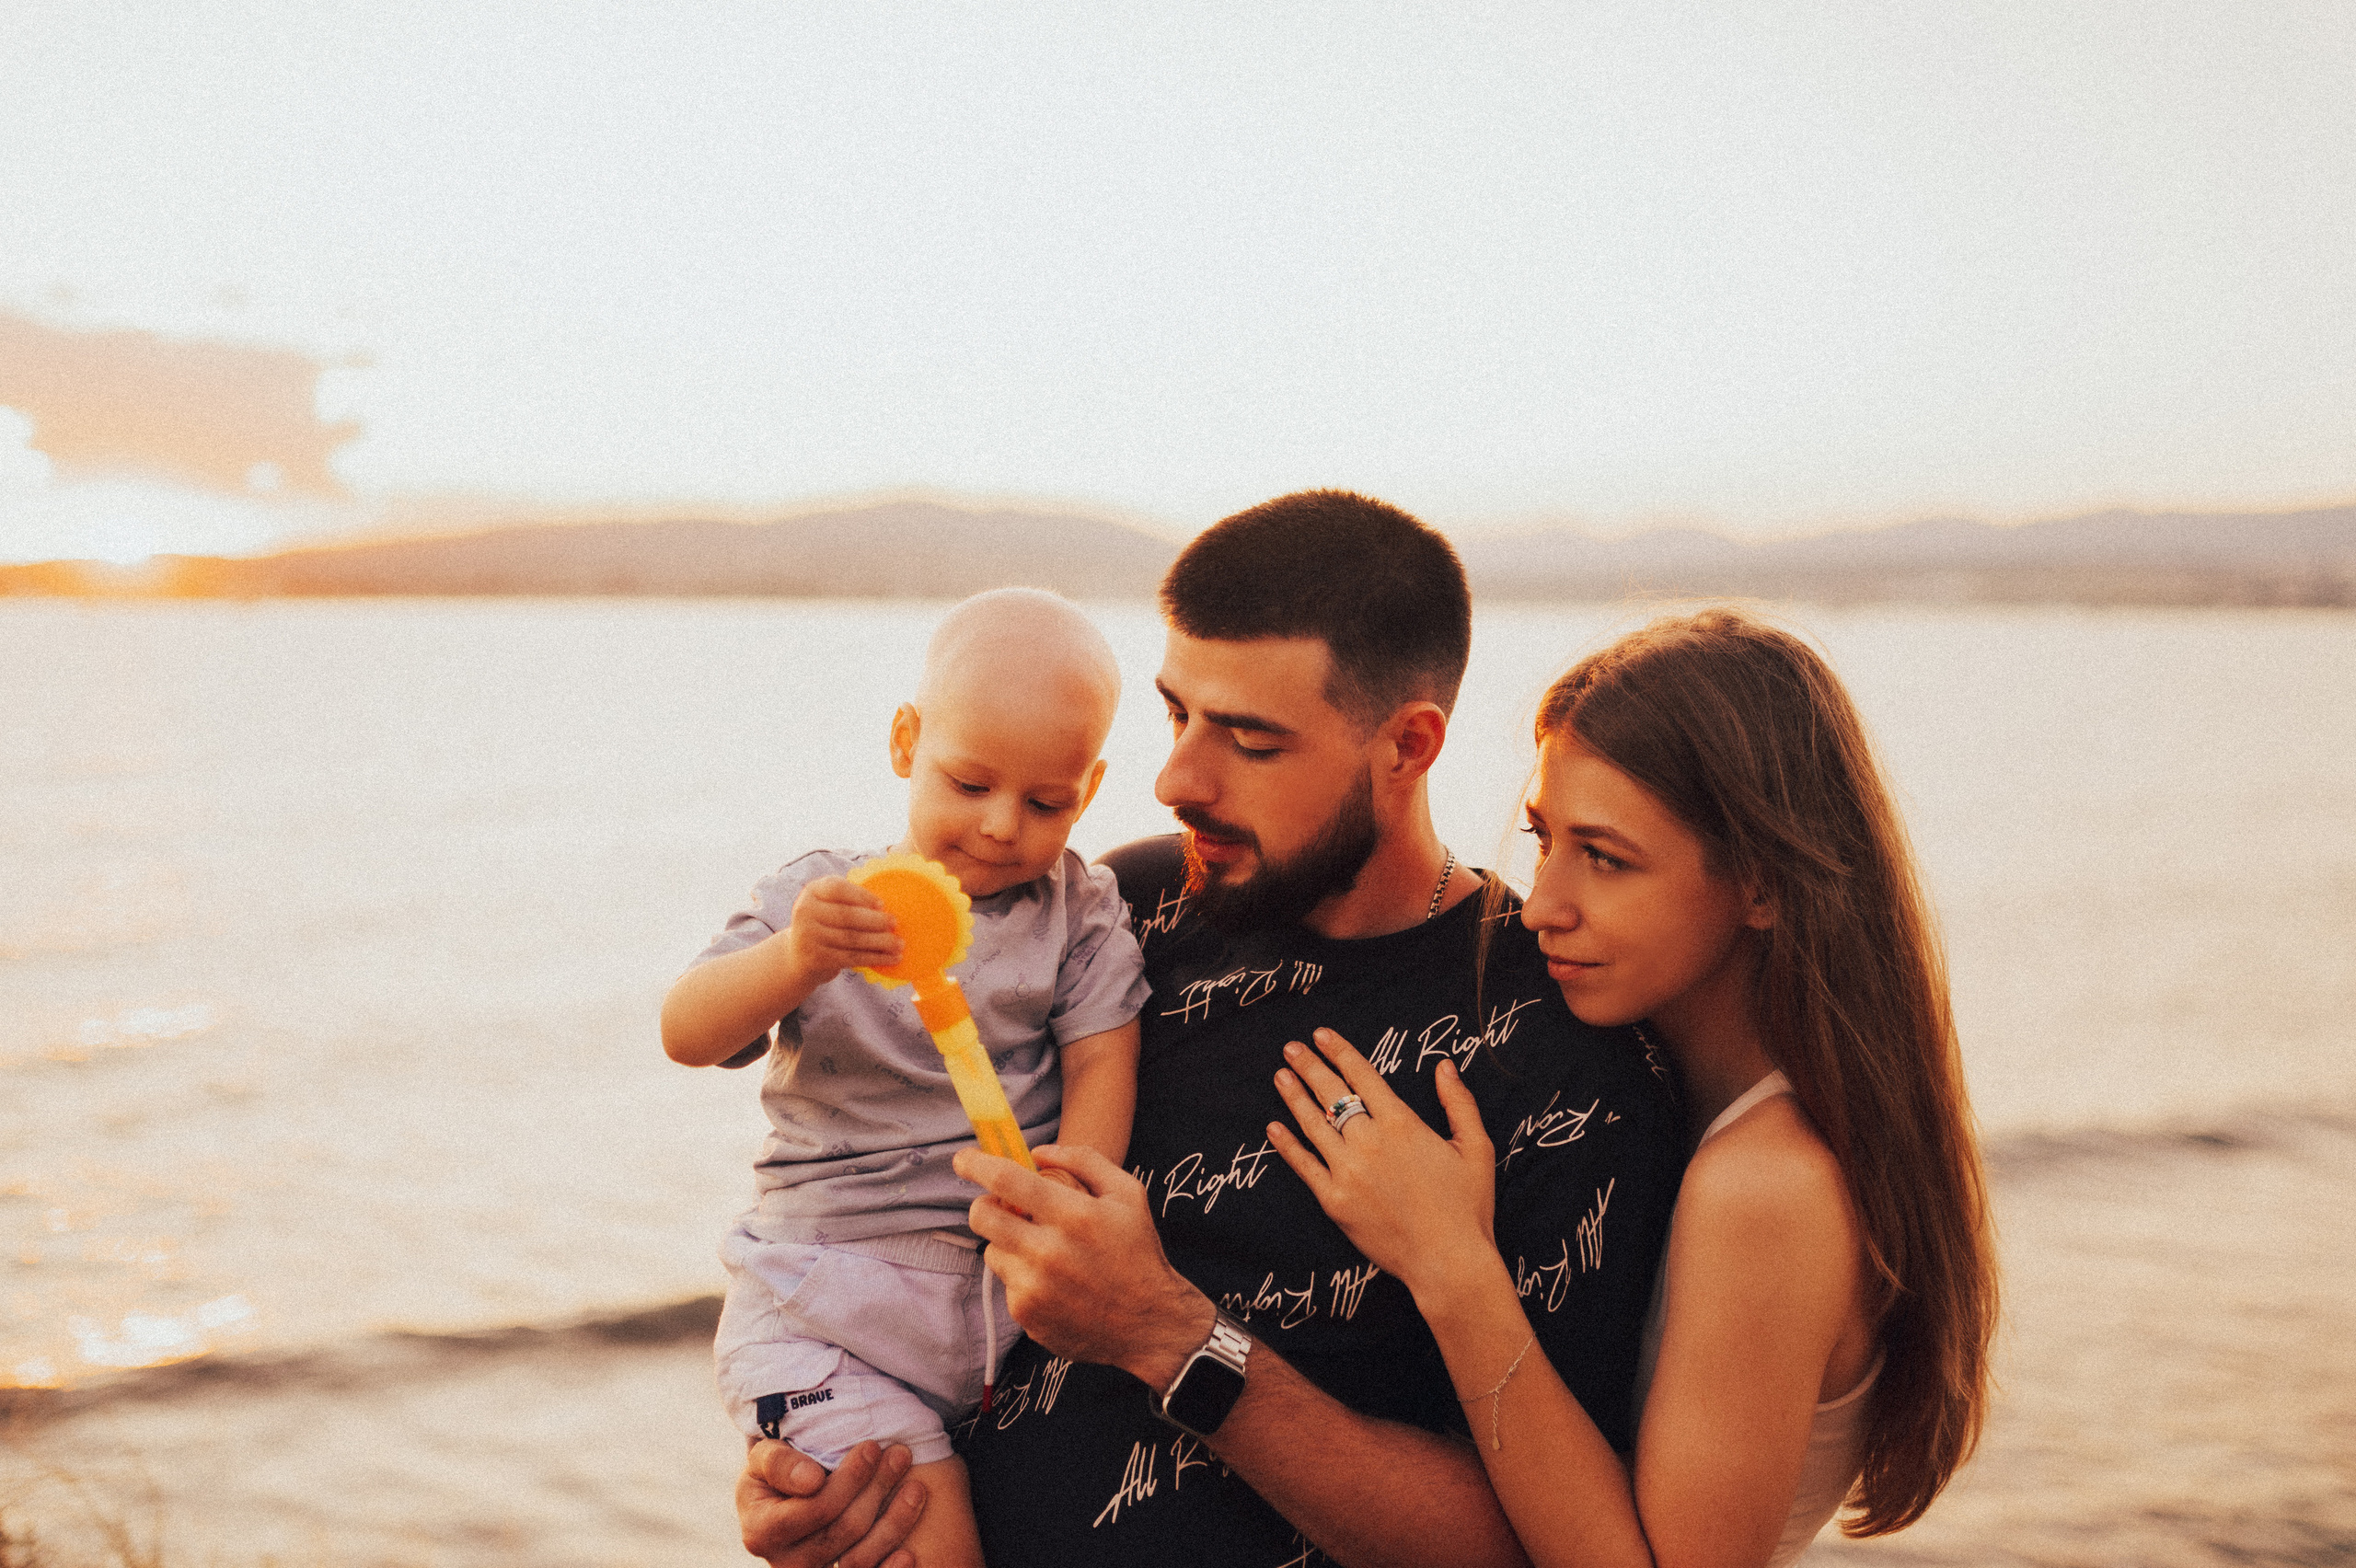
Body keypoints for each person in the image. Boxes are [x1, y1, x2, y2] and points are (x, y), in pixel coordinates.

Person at [736, 491, 1684, 1568]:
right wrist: (820, 1449)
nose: (1176, 778)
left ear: (1408, 745)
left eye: (1247, 739)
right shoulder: (1117, 910)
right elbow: (878, 1197)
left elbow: (1527, 1546)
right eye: (1178, 713)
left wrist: (1168, 1335)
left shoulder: (1561, 1059)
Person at [1267, 608, 1998, 1568]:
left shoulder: (1768, 1185)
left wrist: (1450, 1264)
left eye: (1605, 859)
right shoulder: (1658, 1105)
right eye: (1543, 840)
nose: (1546, 906)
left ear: (1763, 887)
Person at [664, 588, 1151, 1568]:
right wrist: (797, 961)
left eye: (1045, 801)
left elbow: (1105, 1048)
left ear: (1089, 790)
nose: (1002, 827)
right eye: (968, 784)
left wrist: (1066, 1199)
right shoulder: (823, 902)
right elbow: (688, 1030)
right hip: (825, 1304)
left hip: (990, 1302)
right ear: (905, 743)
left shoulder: (1080, 911)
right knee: (928, 1537)